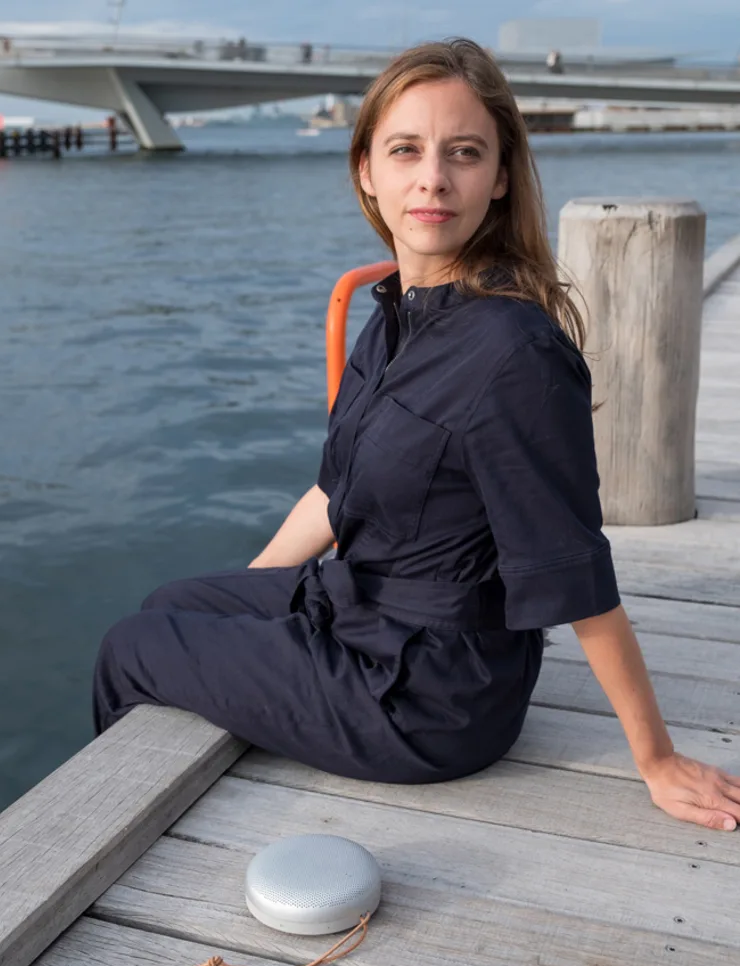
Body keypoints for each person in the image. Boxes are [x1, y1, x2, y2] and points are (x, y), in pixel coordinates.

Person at [92, 38, 740, 832]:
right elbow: (333, 493)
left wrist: (657, 759)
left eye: (464, 153)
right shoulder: (399, 313)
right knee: (172, 605)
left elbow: (574, 570)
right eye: (407, 150)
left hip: (428, 689)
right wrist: (249, 605)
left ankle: (103, 832)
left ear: (500, 177)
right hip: (359, 609)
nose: (433, 177)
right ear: (367, 169)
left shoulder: (514, 355)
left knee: (129, 646)